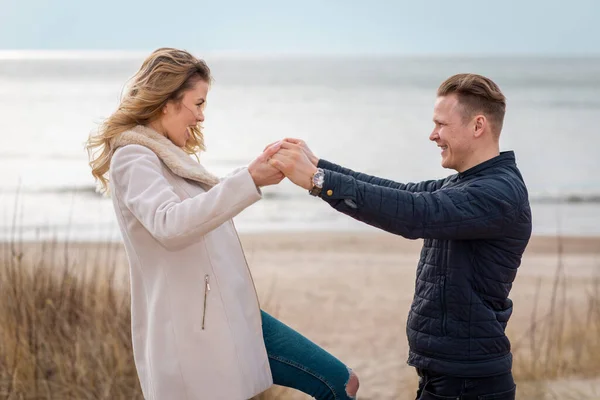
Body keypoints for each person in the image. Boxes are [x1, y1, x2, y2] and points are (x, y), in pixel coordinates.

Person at [85, 48, 359, 400]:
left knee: (342, 382)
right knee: (339, 383)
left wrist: (255, 172)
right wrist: (249, 180)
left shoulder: (168, 156)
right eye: (197, 104)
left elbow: (200, 208)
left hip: (231, 310)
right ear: (166, 102)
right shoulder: (133, 157)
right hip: (196, 329)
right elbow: (170, 224)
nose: (201, 117)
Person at [269, 73, 532, 400]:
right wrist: (317, 164)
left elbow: (414, 213)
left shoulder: (496, 193)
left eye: (441, 124)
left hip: (469, 383)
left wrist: (318, 180)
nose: (433, 135)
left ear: (478, 126)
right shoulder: (466, 184)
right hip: (448, 375)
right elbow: (399, 193)